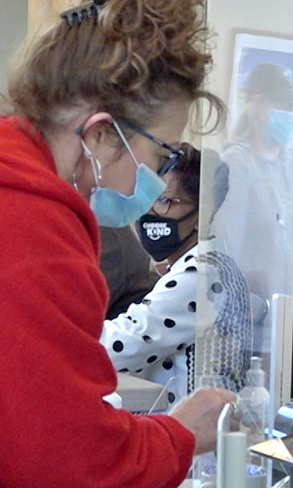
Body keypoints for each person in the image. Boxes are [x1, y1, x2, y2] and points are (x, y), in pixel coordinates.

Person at [0, 0, 234, 488]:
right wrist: (180, 436)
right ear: (100, 132)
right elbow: (73, 460)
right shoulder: (30, 229)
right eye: (159, 155)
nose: (157, 180)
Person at [101, 142, 253, 406]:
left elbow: (119, 346)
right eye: (146, 197)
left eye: (164, 201)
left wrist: (54, 334)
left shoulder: (200, 276)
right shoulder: (200, 266)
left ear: (202, 213)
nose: (149, 212)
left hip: (196, 438)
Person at [210, 61, 293, 353]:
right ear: (258, 105)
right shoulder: (237, 163)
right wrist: (226, 323)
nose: (292, 118)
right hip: (249, 331)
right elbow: (224, 248)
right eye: (284, 108)